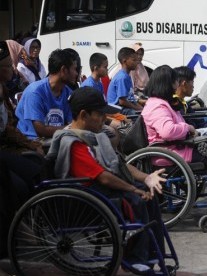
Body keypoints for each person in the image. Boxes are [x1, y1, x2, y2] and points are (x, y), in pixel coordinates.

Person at [46, 86, 168, 270]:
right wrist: (133, 188)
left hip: (102, 190)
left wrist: (146, 178)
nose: (105, 118)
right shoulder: (72, 142)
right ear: (84, 115)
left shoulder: (96, 137)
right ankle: (136, 259)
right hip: (87, 197)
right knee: (136, 200)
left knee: (149, 194)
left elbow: (118, 164)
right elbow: (103, 177)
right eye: (100, 114)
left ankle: (152, 252)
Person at [0, 40, 43, 259]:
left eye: (10, 64)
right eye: (7, 66)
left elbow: (8, 129)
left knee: (37, 166)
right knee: (17, 182)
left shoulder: (4, 91)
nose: (12, 69)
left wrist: (30, 145)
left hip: (6, 145)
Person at [142, 65, 207, 170]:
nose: (177, 85)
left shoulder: (163, 103)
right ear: (167, 84)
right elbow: (167, 131)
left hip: (175, 147)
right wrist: (188, 128)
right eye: (175, 82)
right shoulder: (157, 106)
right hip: (167, 153)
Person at [15, 48, 77, 142]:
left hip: (56, 139)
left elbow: (70, 122)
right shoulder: (35, 92)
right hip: (33, 142)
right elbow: (40, 130)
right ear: (64, 70)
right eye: (74, 69)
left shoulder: (68, 92)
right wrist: (72, 129)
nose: (76, 73)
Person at [173, 66, 207, 136]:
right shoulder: (174, 102)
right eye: (192, 82)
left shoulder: (183, 102)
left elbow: (198, 120)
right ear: (184, 84)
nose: (193, 86)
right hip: (189, 133)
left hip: (195, 130)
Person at [107, 47, 144, 115]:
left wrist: (142, 109)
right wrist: (139, 109)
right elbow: (122, 102)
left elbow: (131, 99)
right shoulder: (122, 77)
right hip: (117, 109)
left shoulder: (126, 75)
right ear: (124, 61)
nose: (137, 62)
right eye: (134, 60)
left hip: (124, 107)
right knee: (137, 115)